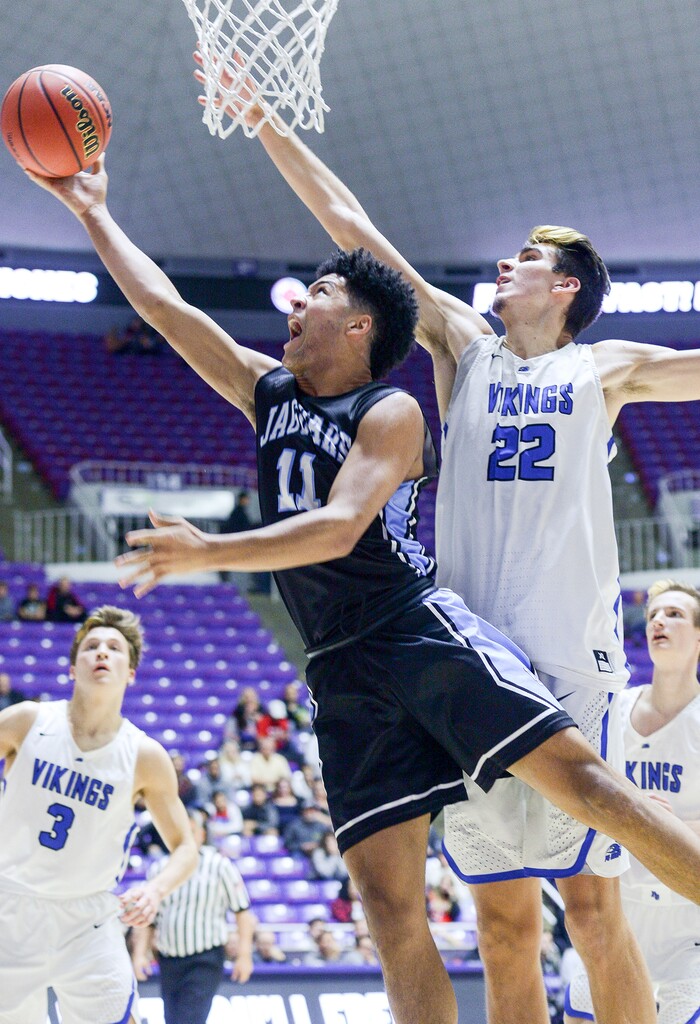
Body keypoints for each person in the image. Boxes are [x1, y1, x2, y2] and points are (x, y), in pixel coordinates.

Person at [26, 157, 700, 1024]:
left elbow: (342, 525)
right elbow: (174, 304)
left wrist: (210, 552)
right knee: (435, 916)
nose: (297, 306)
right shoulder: (438, 354)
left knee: (595, 880)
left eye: (317, 294)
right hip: (353, 662)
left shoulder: (414, 406)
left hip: (444, 633)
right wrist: (94, 209)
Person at [222, 83, 700, 1024]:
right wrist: (267, 123)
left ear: (566, 288)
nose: (502, 263)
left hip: (568, 650)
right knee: (500, 922)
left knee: (595, 908)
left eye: (525, 258)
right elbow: (351, 224)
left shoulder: (608, 367)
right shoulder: (462, 344)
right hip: (464, 649)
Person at [0, 604, 197, 1024]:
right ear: (73, 668)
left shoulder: (144, 755)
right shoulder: (26, 721)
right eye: (91, 647)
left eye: (114, 648)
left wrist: (155, 890)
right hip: (11, 909)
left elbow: (185, 848)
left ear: (130, 673)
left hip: (87, 919)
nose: (102, 653)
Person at [565, 579, 700, 1024]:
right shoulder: (612, 711)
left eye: (675, 614)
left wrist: (663, 828)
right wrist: (631, 816)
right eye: (655, 613)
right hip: (615, 916)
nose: (659, 619)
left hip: (687, 931)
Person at [131, 805, 253, 1024]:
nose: (186, 836)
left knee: (189, 1020)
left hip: (205, 959)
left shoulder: (219, 866)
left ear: (202, 834)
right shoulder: (159, 869)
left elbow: (243, 913)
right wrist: (140, 953)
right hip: (168, 960)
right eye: (180, 830)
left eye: (192, 830)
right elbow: (149, 919)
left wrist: (244, 955)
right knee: (173, 1019)